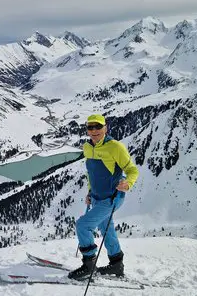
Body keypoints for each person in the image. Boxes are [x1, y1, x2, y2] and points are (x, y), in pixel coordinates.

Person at [68, 114, 139, 281]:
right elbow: (92, 173)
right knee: (106, 229)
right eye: (90, 127)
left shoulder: (115, 147)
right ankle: (116, 264)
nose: (94, 131)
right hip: (97, 198)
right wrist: (90, 192)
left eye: (97, 127)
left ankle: (89, 265)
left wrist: (128, 183)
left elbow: (132, 170)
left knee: (83, 225)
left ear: (105, 128)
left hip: (112, 198)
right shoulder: (87, 147)